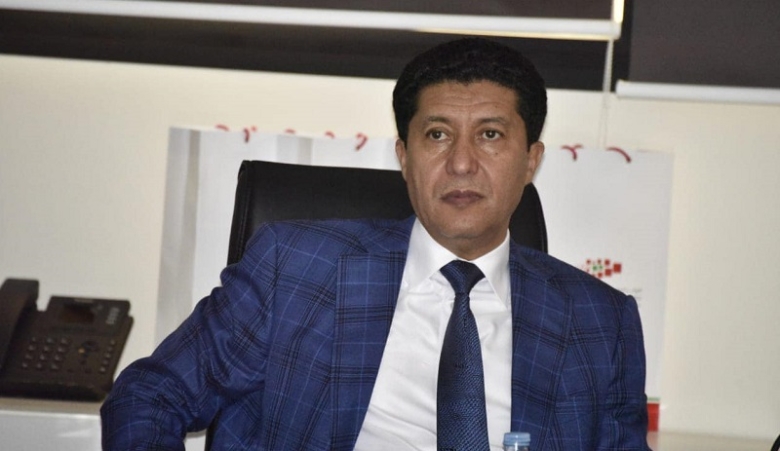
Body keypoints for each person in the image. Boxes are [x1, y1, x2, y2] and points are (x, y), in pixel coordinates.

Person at [101, 38, 650, 450]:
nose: (461, 163)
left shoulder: (601, 321)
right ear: (404, 157)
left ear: (531, 160)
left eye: (490, 134)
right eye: (437, 134)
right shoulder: (294, 269)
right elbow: (150, 395)